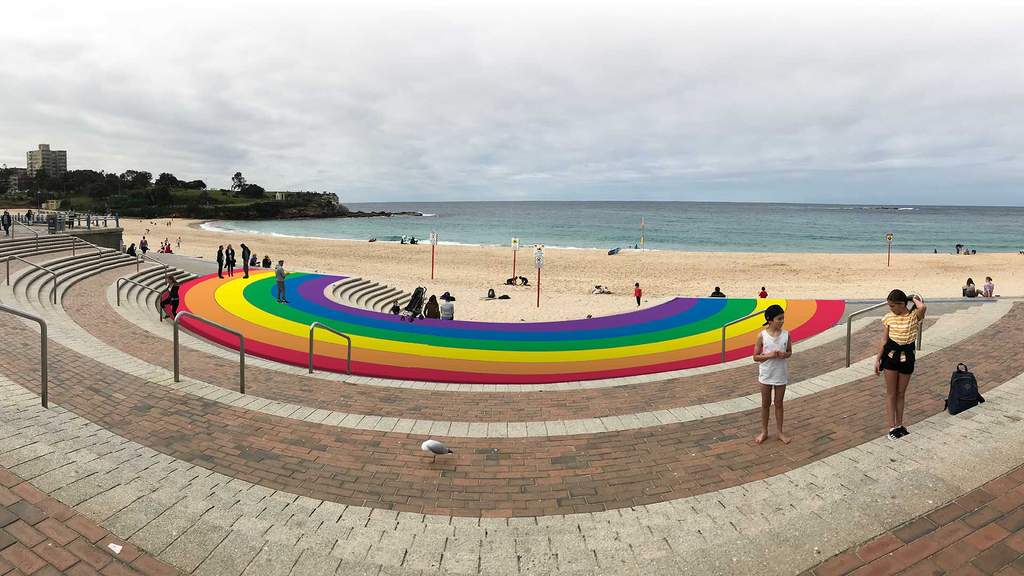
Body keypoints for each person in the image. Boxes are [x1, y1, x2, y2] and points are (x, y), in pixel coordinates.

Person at [876, 290, 926, 439]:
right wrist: (878, 359)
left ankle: (899, 425)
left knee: (901, 393)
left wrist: (913, 298)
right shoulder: (888, 318)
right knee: (891, 393)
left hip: (907, 358)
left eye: (892, 306)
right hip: (891, 358)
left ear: (902, 304)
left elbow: (922, 307)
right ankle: (892, 427)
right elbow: (884, 341)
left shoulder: (913, 316)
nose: (890, 309)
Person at [753, 304, 792, 444]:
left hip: (780, 374)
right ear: (770, 320)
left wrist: (783, 354)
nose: (782, 321)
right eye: (779, 319)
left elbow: (789, 353)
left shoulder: (786, 335)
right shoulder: (761, 336)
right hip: (766, 374)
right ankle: (764, 431)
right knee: (765, 403)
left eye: (783, 318)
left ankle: (780, 432)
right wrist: (769, 355)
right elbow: (755, 357)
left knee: (779, 403)